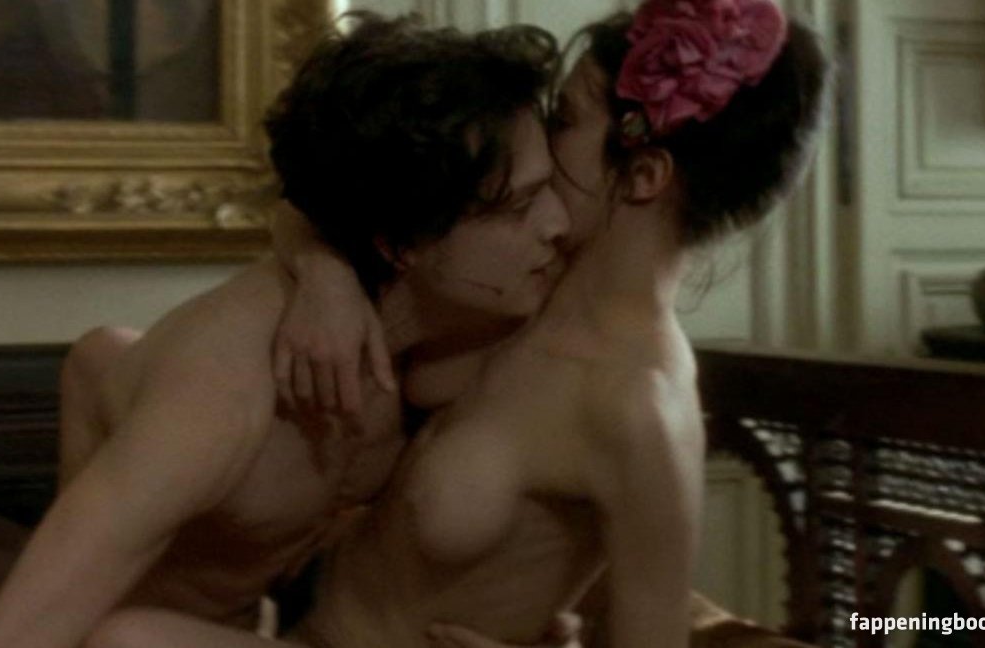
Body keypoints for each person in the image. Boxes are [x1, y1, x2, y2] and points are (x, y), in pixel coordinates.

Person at [76, 1, 829, 647]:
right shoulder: (516, 283)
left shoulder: (640, 406)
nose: (536, 138)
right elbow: (324, 199)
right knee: (104, 363)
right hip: (295, 620)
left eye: (563, 119)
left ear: (644, 176)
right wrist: (325, 278)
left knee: (121, 641)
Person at [0, 17, 576, 648]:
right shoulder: (222, 386)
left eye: (549, 188)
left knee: (106, 356)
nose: (559, 223)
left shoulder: (455, 332)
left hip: (273, 625)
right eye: (519, 208)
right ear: (399, 244)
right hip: (130, 633)